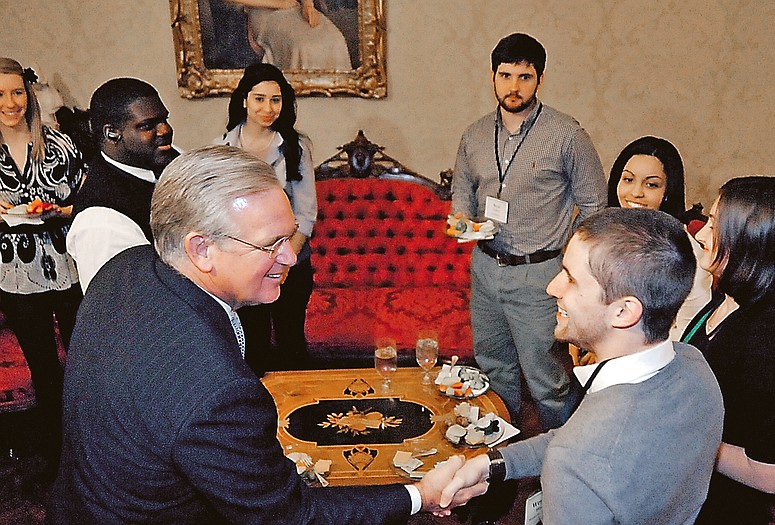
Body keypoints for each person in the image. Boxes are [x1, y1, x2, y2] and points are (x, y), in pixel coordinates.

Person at [48, 145, 482, 524]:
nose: (291, 256)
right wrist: (418, 496)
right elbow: (289, 515)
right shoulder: (216, 392)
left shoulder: (124, 268)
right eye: (270, 243)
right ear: (202, 249)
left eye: (289, 236)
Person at [438, 207, 725, 524]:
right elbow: (574, 439)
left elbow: (581, 451)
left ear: (623, 312)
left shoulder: (578, 460)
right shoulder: (694, 364)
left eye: (571, 279)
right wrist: (494, 462)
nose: (552, 288)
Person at [450, 32, 606, 429]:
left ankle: (561, 466)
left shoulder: (567, 135)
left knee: (546, 379)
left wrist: (569, 261)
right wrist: (463, 221)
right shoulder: (475, 134)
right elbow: (462, 190)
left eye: (524, 76)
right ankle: (501, 457)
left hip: (540, 274)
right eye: (505, 75)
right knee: (491, 368)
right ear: (492, 77)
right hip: (485, 268)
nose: (513, 86)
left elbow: (594, 208)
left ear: (540, 79)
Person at [682, 176, 775, 524]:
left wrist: (686, 440)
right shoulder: (728, 296)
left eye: (715, 226)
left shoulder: (769, 340)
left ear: (751, 242)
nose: (701, 234)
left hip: (731, 509)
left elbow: (771, 476)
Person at [0, 58, 83, 471]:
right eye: (0, 94)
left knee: (85, 360)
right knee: (44, 369)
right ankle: (57, 456)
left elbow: (87, 199)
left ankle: (98, 447)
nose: (11, 102)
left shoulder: (59, 143)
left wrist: (58, 209)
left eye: (17, 92)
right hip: (13, 275)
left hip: (68, 266)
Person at [214, 63, 316, 373]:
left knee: (291, 344)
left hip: (291, 263)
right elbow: (221, 212)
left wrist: (283, 263)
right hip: (244, 265)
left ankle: (299, 414)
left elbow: (306, 214)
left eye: (276, 99)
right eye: (259, 99)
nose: (268, 108)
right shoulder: (224, 148)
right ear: (244, 100)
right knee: (252, 347)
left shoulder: (295, 147)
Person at [66, 77, 179, 292]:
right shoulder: (101, 221)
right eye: (148, 125)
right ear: (112, 133)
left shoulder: (167, 159)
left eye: (164, 119)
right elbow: (116, 304)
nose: (165, 130)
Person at [607, 135, 712, 340]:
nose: (636, 193)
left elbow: (688, 332)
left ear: (667, 192)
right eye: (628, 179)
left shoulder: (685, 253)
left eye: (651, 185)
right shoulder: (604, 236)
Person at [229, 0, 352, 70]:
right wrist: (280, 4)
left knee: (335, 40)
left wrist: (308, 5)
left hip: (295, 7)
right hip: (262, 9)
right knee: (302, 47)